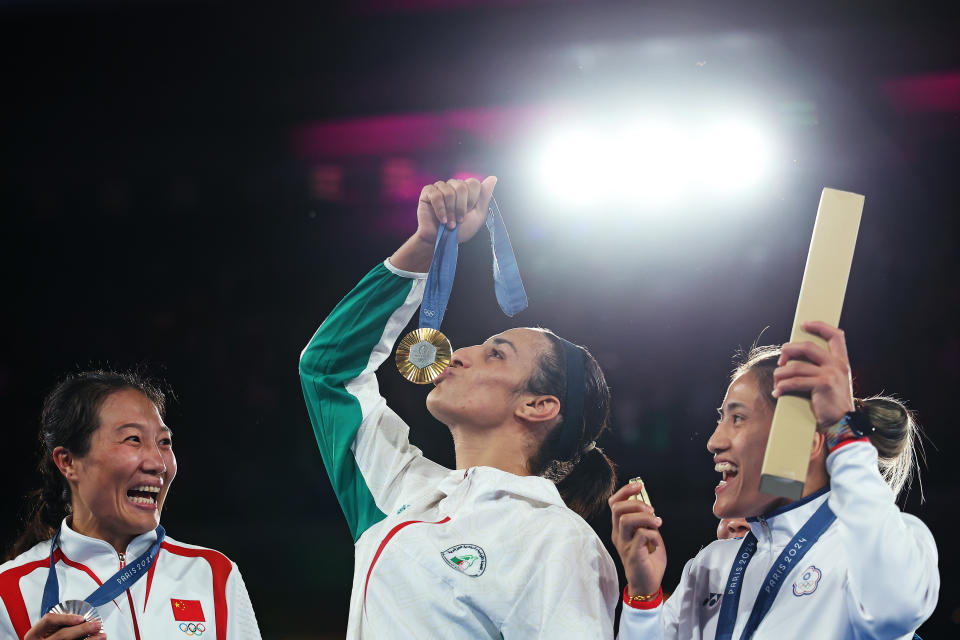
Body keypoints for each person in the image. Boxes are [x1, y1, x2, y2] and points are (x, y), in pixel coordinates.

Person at [299, 176, 620, 638]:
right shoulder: (401, 492)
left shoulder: (557, 540)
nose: (460, 353)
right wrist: (425, 245)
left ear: (538, 405)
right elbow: (328, 370)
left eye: (496, 353)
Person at [610, 324, 939, 639]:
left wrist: (843, 431)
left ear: (805, 442)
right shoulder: (711, 566)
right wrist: (643, 596)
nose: (713, 441)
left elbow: (897, 608)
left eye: (737, 418)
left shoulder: (881, 547)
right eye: (720, 418)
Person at [0, 370, 262, 640]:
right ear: (68, 462)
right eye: (133, 439)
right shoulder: (8, 593)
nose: (158, 464)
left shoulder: (213, 575)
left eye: (164, 442)